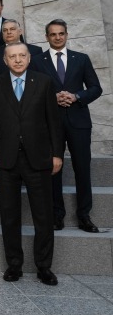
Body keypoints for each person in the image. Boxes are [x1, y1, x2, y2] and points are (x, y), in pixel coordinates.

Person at [0, 43, 63, 286]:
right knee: (9, 215)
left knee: (43, 215)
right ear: (5, 60)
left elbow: (53, 121)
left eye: (21, 56)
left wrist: (57, 154)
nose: (17, 60)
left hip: (38, 158)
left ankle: (44, 267)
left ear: (29, 58)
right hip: (5, 160)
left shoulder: (45, 82)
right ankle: (14, 265)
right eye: (12, 57)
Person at [36, 19, 102, 233]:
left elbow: (95, 88)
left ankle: (84, 216)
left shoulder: (81, 59)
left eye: (61, 33)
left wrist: (76, 96)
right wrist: (51, 97)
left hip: (79, 121)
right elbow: (33, 91)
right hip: (50, 123)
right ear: (47, 37)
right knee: (53, 169)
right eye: (53, 34)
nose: (57, 37)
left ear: (66, 35)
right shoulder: (37, 61)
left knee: (82, 168)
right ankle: (57, 215)